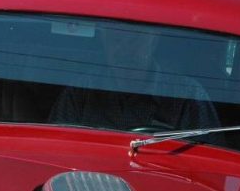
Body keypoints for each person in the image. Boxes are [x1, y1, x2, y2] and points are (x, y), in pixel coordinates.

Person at [49, 26, 222, 137]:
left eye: (135, 39)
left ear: (153, 40)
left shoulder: (187, 95)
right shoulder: (80, 91)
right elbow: (56, 147)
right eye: (116, 39)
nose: (124, 49)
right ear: (104, 42)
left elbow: (210, 161)